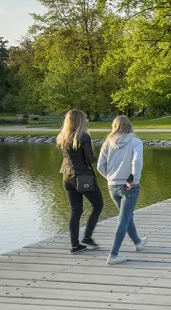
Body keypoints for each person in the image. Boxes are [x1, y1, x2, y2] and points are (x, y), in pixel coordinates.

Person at [97, 115, 147, 264]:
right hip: (129, 186)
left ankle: (138, 242)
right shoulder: (135, 142)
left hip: (112, 186)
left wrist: (110, 178)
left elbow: (100, 166)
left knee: (126, 215)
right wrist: (134, 180)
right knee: (123, 219)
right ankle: (113, 254)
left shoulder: (108, 143)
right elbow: (136, 161)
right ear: (129, 125)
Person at [57, 109, 104, 254]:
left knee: (75, 210)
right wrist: (100, 156)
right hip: (83, 176)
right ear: (80, 121)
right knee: (98, 204)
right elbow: (89, 159)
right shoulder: (83, 137)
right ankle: (88, 237)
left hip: (66, 176)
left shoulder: (62, 137)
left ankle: (75, 245)